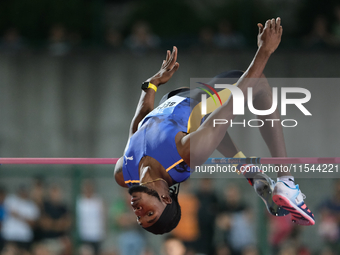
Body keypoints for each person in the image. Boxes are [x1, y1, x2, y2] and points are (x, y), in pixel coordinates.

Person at [114, 18, 315, 235]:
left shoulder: (124, 173)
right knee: (257, 84)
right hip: (199, 104)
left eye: (139, 218)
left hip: (173, 103)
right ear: (165, 198)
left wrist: (150, 85)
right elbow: (232, 103)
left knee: (209, 129)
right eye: (149, 214)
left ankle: (250, 171)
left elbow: (139, 127)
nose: (139, 211)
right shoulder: (184, 155)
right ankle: (286, 180)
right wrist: (265, 51)